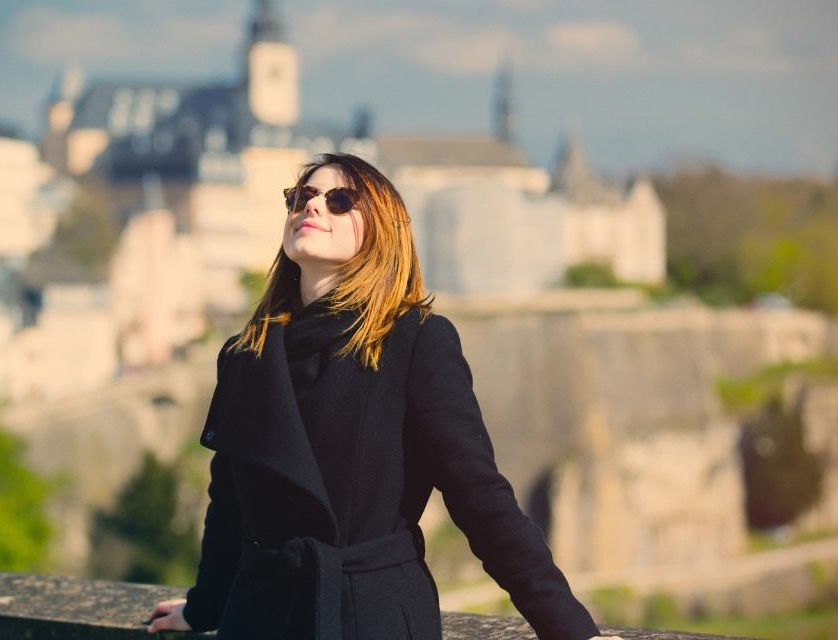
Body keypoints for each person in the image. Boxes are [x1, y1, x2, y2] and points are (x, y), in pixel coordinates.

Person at [148, 153, 620, 640]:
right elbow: (229, 505)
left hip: (370, 616)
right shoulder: (246, 355)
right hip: (258, 616)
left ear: (381, 228)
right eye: (301, 197)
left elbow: (478, 496)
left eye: (339, 201)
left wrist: (567, 627)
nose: (312, 208)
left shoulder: (415, 341)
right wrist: (206, 607)